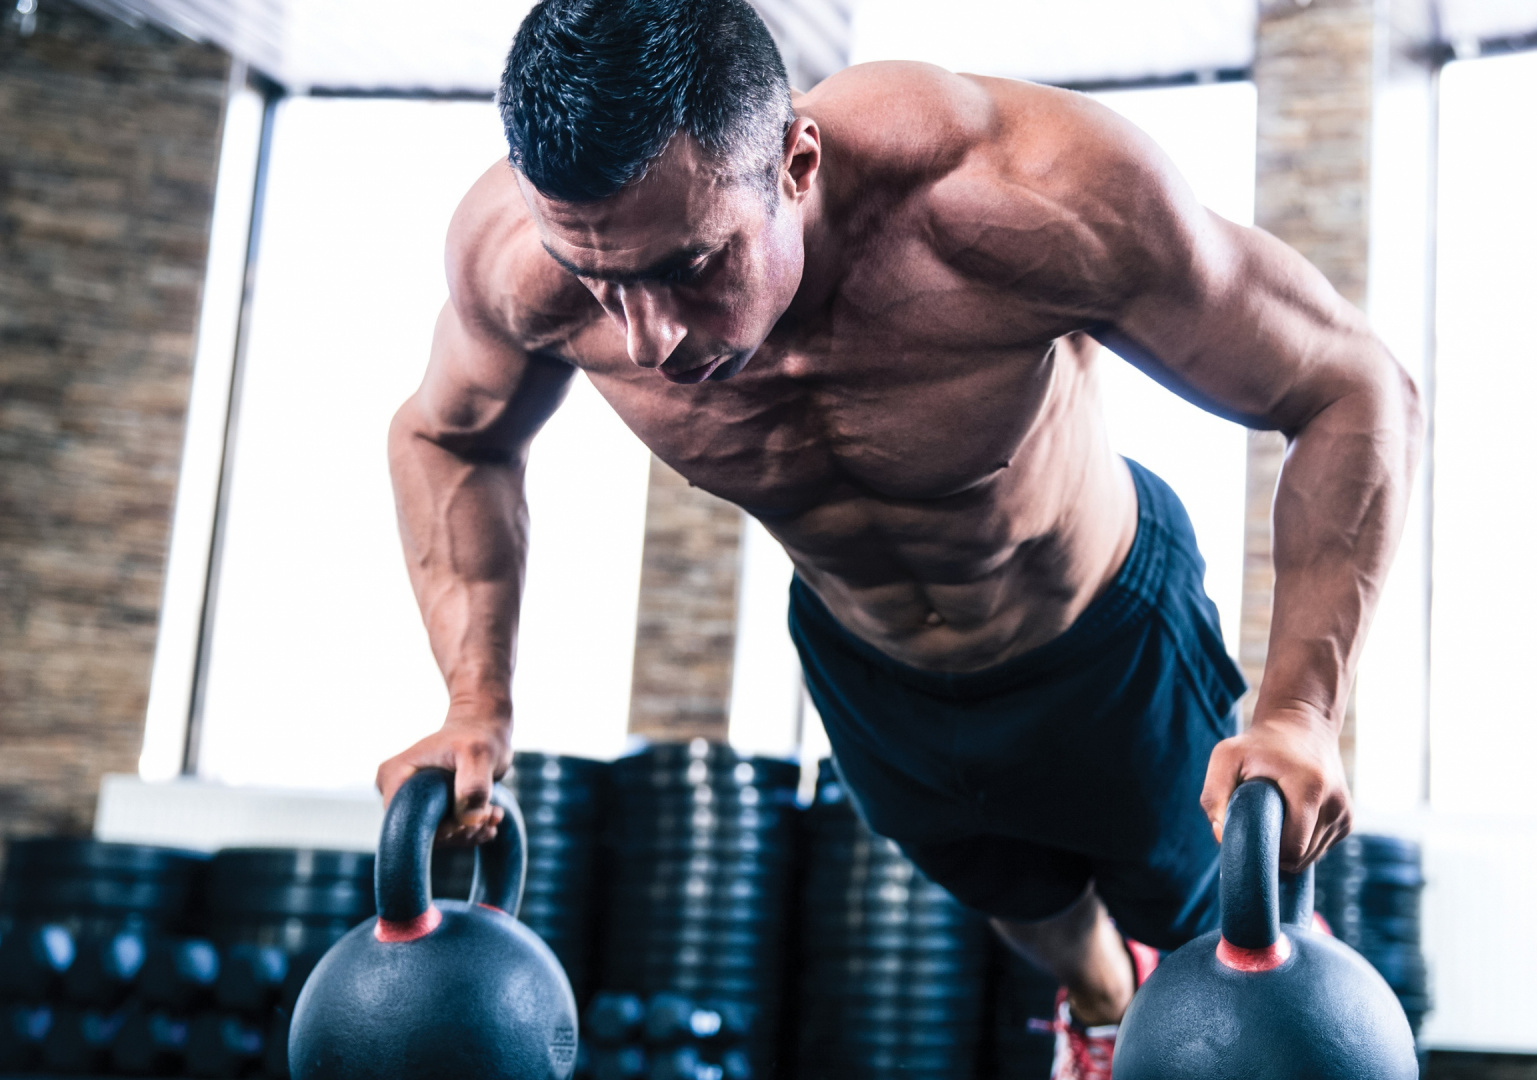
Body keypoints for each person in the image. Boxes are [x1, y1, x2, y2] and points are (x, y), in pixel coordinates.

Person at [374, 0, 1421, 1074]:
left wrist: (1301, 712)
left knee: (1214, 936)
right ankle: (1103, 1006)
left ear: (795, 160)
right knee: (1016, 893)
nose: (647, 337)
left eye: (692, 265)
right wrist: (474, 708)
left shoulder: (1014, 196)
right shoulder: (523, 262)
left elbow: (1350, 388)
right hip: (866, 662)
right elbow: (448, 437)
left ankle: (1226, 966)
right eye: (603, 281)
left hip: (1097, 636)